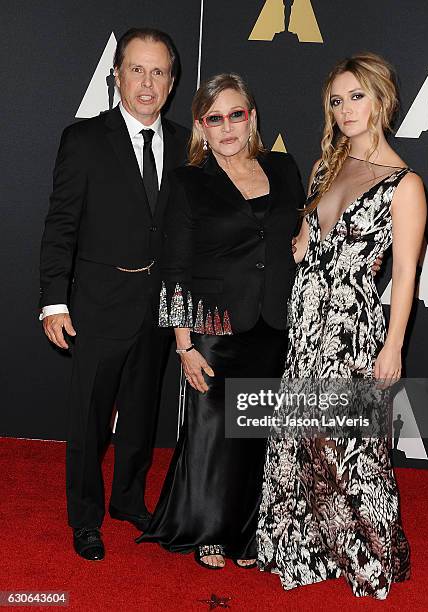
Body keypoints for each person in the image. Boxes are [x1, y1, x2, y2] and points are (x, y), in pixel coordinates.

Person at [257, 52, 427, 599]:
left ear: (383, 100)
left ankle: (369, 556)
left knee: (351, 448)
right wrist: (305, 240)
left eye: (357, 96)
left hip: (351, 329)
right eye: (337, 99)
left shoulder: (405, 185)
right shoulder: (328, 165)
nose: (346, 108)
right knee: (301, 439)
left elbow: (405, 277)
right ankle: (305, 548)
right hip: (306, 324)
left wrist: (393, 346)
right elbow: (314, 237)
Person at [136, 73, 305, 569]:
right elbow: (176, 266)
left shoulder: (283, 167)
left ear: (251, 117)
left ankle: (246, 534)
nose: (227, 126)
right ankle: (207, 530)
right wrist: (184, 345)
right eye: (215, 118)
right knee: (212, 435)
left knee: (257, 434)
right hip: (213, 329)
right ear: (201, 126)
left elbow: (299, 233)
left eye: (237, 114)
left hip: (275, 323)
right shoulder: (189, 180)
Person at [39, 28, 189, 561]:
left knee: (142, 414)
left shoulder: (186, 143)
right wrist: (54, 300)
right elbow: (61, 224)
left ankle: (128, 499)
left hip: (156, 307)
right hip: (97, 306)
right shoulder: (83, 139)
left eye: (158, 72)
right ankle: (85, 518)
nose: (147, 83)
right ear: (117, 76)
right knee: (89, 419)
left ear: (171, 83)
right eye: (137, 70)